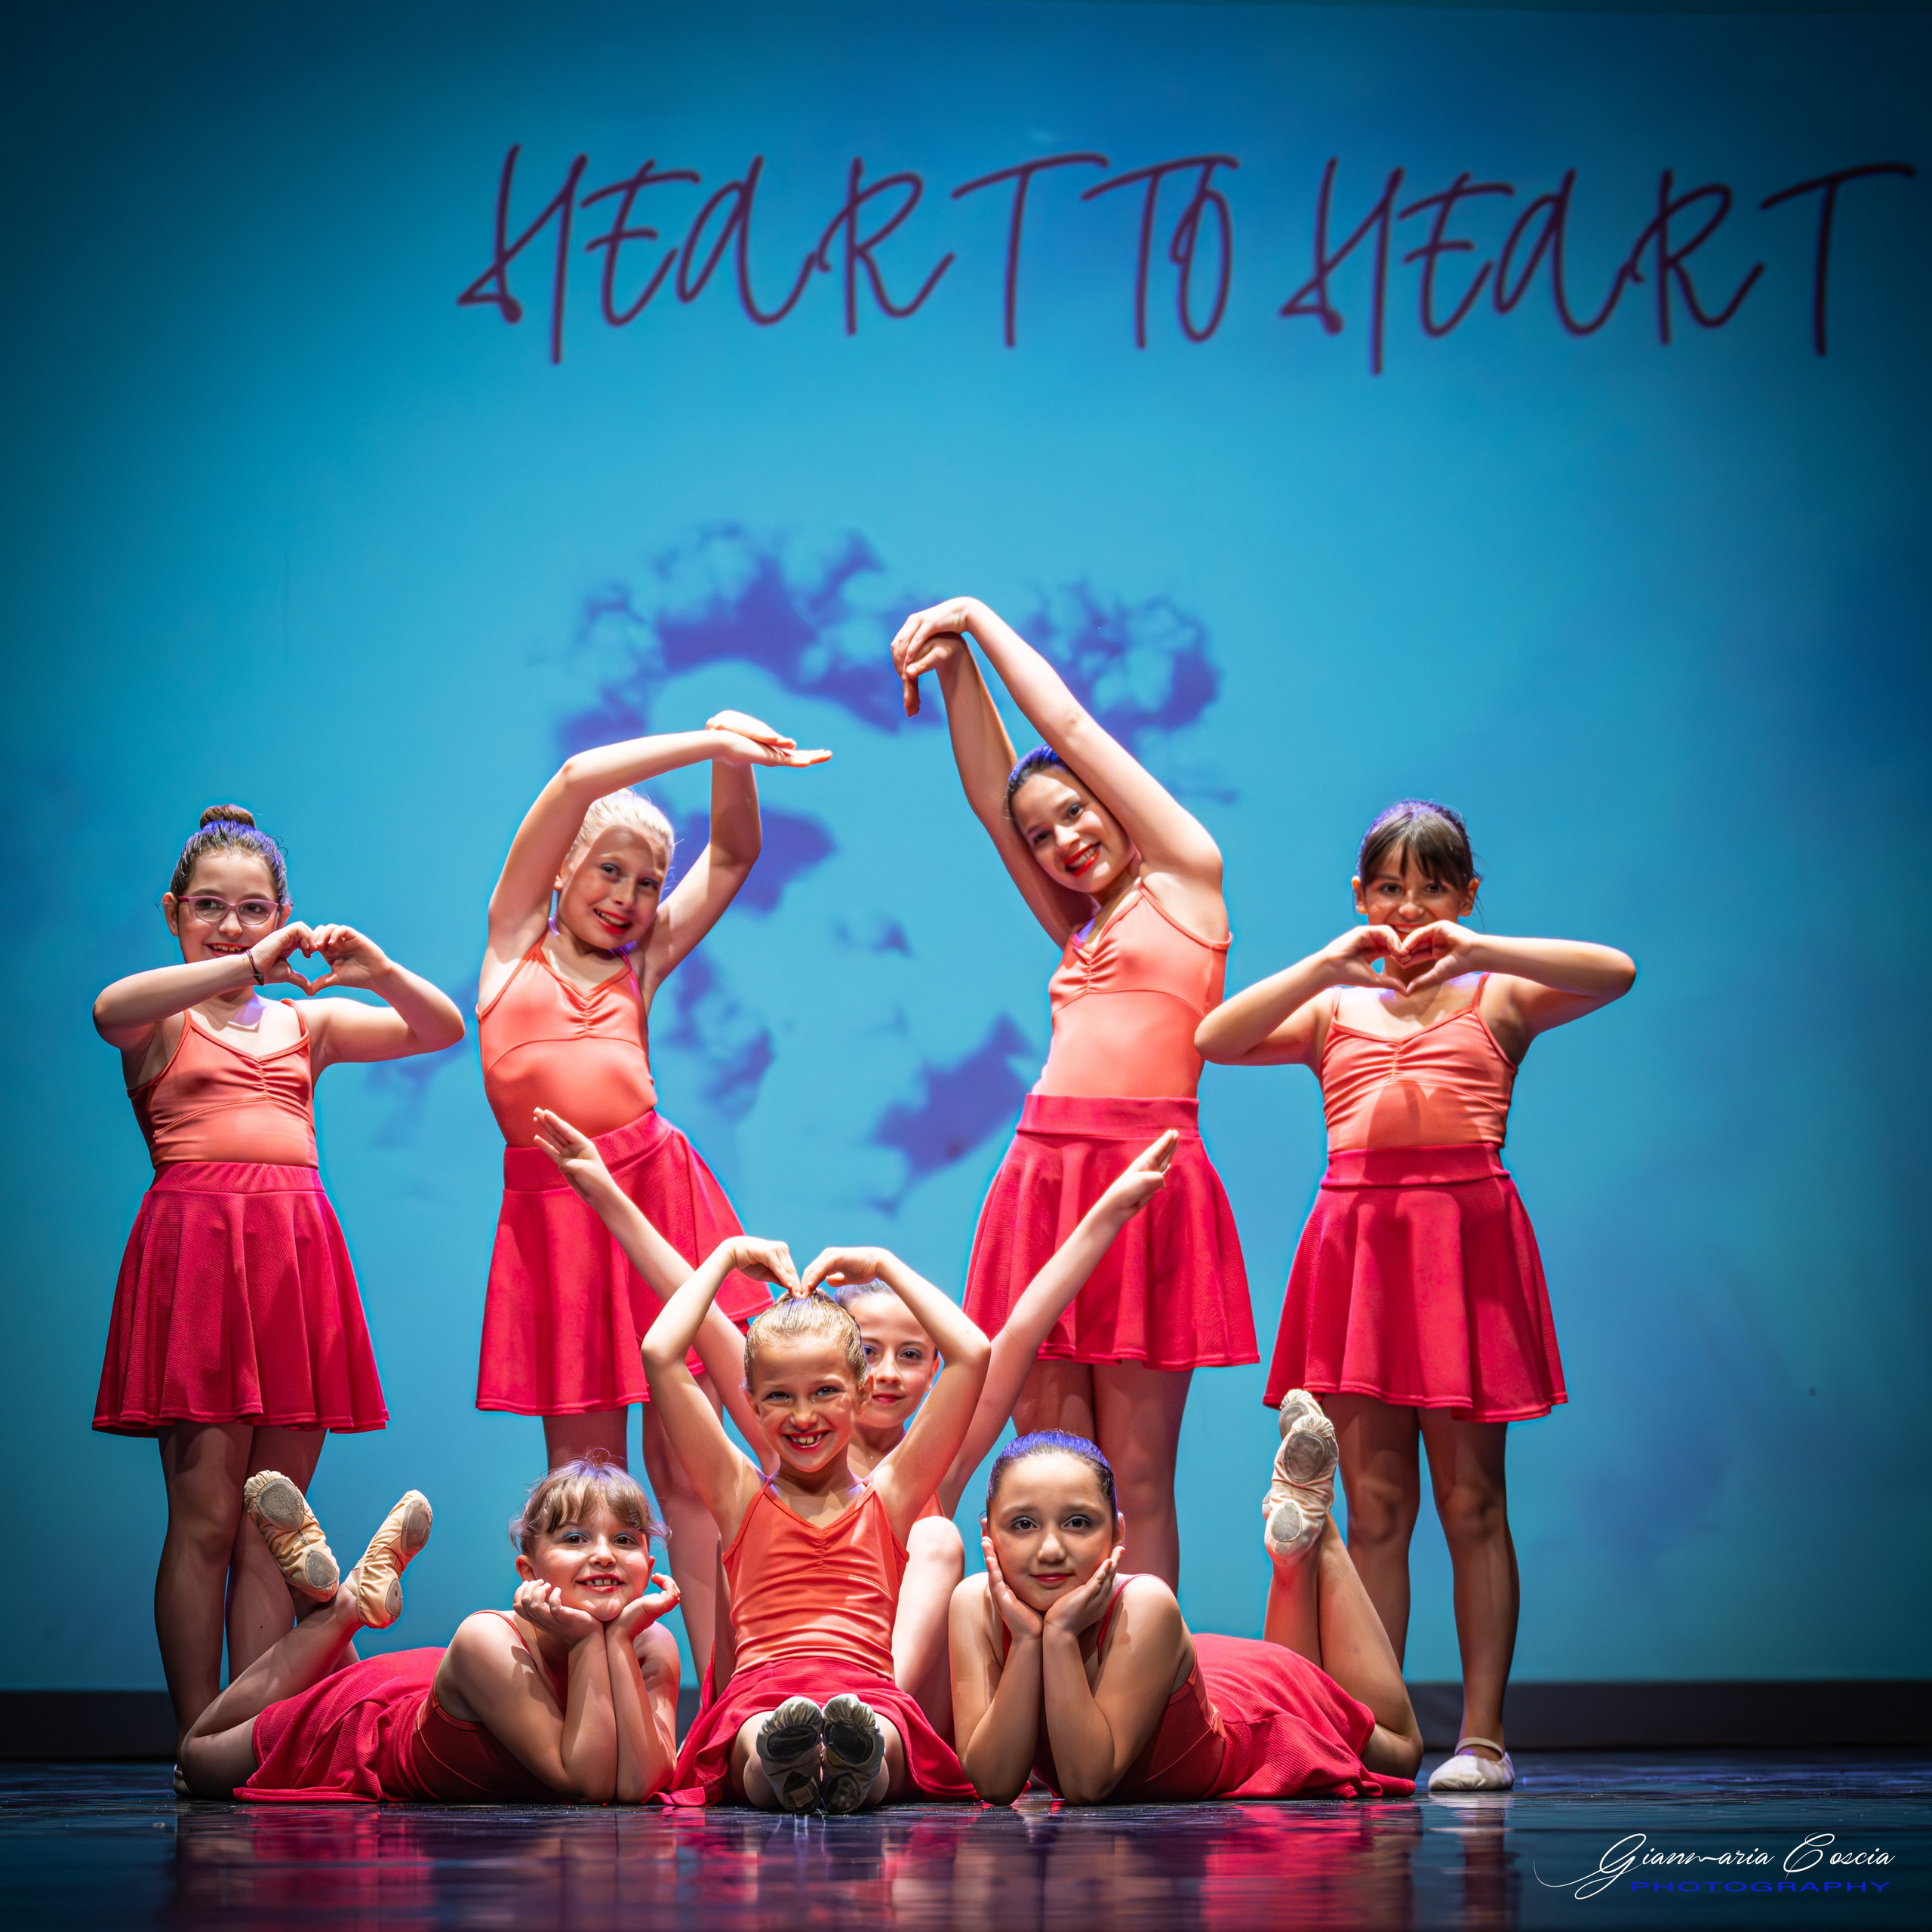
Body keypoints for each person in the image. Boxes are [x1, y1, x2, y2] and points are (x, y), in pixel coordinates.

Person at [1195, 798, 1636, 1791]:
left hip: (1464, 1248)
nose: (1409, 906)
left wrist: (1481, 948)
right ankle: (1376, 1734)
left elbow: (1616, 971)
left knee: (1472, 1503)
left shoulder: (1499, 995)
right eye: (1390, 886)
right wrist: (1325, 964)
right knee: (1376, 1509)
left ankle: (1483, 1737)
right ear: (1361, 896)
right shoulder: (1332, 1009)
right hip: (1358, 1250)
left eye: (1432, 887)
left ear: (1465, 894)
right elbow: (1215, 1037)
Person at [889, 597, 1251, 1589]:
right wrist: (953, 667)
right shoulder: (1078, 924)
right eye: (1042, 836)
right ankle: (1048, 1675)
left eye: (1077, 812)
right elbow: (989, 798)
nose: (1063, 841)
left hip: (1147, 1182)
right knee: (1049, 1473)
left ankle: (1142, 1677)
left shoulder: (1185, 876)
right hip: (1043, 1183)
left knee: (1135, 1477)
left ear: (1114, 800)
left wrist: (974, 616)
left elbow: (1071, 728)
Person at [91, 804, 465, 1741]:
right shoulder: (161, 1020)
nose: (231, 924)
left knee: (272, 1530)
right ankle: (195, 1735)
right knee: (206, 1519)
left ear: (283, 914)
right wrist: (246, 965)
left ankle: (248, 1737)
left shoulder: (306, 1022)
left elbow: (440, 1027)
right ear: (174, 912)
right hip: (200, 1262)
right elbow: (107, 1009)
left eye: (253, 910)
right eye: (209, 907)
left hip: (293, 1263)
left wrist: (377, 969)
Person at [475, 713, 827, 1683]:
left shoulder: (642, 962)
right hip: (557, 1228)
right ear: (561, 870)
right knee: (586, 1486)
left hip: (659, 1205)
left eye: (646, 882)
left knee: (691, 1470)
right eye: (609, 872)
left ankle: (730, 1700)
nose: (627, 898)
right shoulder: (512, 944)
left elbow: (737, 853)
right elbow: (576, 778)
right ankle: (599, 1694)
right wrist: (707, 739)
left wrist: (736, 762)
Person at [531, 1108, 990, 1810]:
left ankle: (850, 1763)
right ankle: (787, 1762)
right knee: (751, 1738)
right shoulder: (739, 1493)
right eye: (779, 1398)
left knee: (883, 1737)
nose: (802, 1417)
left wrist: (883, 1266)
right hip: (764, 1690)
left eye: (825, 1393)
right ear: (750, 1401)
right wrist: (723, 1258)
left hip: (866, 1687)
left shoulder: (893, 1493)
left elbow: (972, 1354)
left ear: (859, 1391)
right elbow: (660, 1354)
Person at [826, 1131, 1182, 1738]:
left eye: (910, 1355)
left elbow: (1019, 1332)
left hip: (912, 1711)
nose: (887, 1373)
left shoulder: (937, 1460)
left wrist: (1109, 1211)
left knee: (937, 1538)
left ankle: (874, 1723)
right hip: (813, 1683)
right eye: (867, 1351)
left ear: (935, 1369)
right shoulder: (796, 1457)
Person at [949, 1409, 1423, 1804]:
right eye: (1024, 1524)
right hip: (1179, 1669)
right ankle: (1297, 1551)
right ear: (988, 1532)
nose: (1051, 1550)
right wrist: (1027, 1639)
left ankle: (1320, 1527)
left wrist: (1056, 1635)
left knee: (1401, 1751)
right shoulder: (974, 1604)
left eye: (1078, 1523)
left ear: (1117, 1533)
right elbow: (994, 1784)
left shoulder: (1147, 1602)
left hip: (1255, 1712)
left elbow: (1086, 1784)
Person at [181, 1457, 683, 1803]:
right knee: (196, 1760)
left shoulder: (650, 1643)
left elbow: (637, 1785)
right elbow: (588, 1784)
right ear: (528, 1572)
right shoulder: (486, 1640)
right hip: (366, 1724)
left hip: (436, 1689)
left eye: (625, 1539)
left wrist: (616, 1640)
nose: (604, 1555)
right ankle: (342, 1612)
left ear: (649, 1561)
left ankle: (324, 1602)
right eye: (575, 1538)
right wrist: (587, 1639)